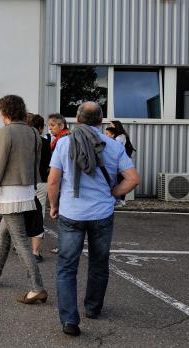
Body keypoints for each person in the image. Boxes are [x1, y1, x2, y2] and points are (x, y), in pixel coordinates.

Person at [48, 102, 140, 337]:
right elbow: (132, 179)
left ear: (77, 119)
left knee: (67, 267)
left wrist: (54, 205)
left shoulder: (64, 143)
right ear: (100, 121)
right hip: (101, 214)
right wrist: (114, 193)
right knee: (99, 264)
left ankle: (69, 320)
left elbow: (53, 181)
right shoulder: (112, 145)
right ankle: (93, 308)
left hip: (71, 213)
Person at [0, 95, 46, 305]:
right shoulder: (33, 132)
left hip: (10, 193)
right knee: (3, 233)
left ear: (5, 112)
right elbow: (36, 163)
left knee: (20, 241)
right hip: (27, 191)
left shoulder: (6, 132)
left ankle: (37, 287)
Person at [28, 113, 51, 262]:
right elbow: (49, 166)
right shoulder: (45, 143)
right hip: (41, 181)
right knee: (39, 214)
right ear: (41, 128)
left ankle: (19, 246)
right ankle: (35, 251)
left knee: (21, 213)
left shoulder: (22, 142)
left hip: (24, 183)